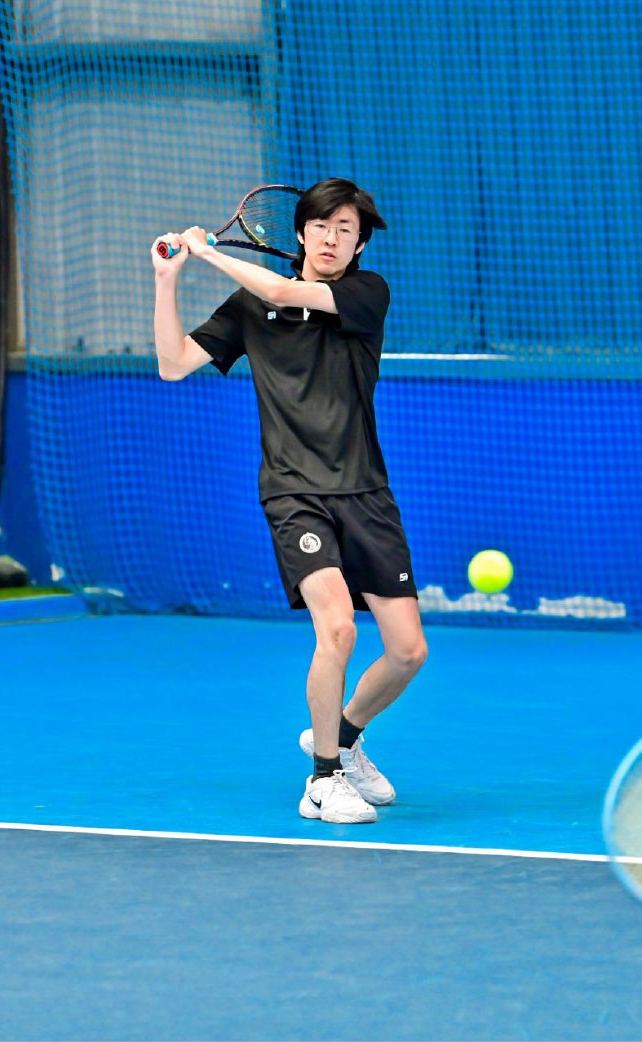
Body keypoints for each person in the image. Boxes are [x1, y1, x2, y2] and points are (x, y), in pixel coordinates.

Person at [148, 179, 422, 825]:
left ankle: (346, 739)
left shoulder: (364, 293)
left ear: (358, 245)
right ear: (300, 233)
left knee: (409, 650)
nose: (332, 239)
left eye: (346, 230)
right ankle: (324, 779)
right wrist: (167, 280)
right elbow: (173, 362)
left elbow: (280, 289)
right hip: (294, 491)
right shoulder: (249, 309)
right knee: (337, 627)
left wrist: (207, 252)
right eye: (322, 227)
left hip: (367, 493)